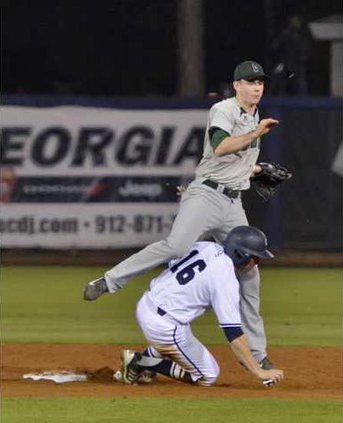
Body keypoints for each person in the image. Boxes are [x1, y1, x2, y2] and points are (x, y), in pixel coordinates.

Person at [84, 60, 279, 369]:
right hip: (206, 195)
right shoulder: (224, 110)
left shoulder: (255, 114)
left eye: (261, 82)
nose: (257, 87)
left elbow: (235, 163)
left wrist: (256, 170)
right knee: (176, 246)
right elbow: (220, 148)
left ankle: (256, 353)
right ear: (237, 85)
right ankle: (109, 281)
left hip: (233, 202)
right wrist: (257, 133)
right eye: (250, 81)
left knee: (250, 274)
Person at [117, 226, 284, 387]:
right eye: (255, 258)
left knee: (174, 344)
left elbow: (173, 262)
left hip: (147, 303)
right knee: (208, 375)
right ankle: (141, 362)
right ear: (241, 254)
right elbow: (233, 333)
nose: (257, 263)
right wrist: (258, 371)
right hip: (165, 326)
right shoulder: (225, 279)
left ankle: (139, 365)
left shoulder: (207, 247)